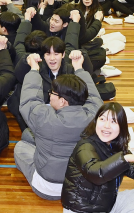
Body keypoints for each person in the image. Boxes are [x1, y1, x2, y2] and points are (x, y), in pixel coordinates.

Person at [14, 50, 103, 200]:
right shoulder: (95, 117)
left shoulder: (44, 118)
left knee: (21, 146)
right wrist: (79, 68)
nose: (49, 95)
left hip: (47, 188)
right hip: (79, 186)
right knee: (28, 135)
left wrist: (34, 70)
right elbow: (94, 97)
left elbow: (29, 101)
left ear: (62, 101)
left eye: (52, 93)